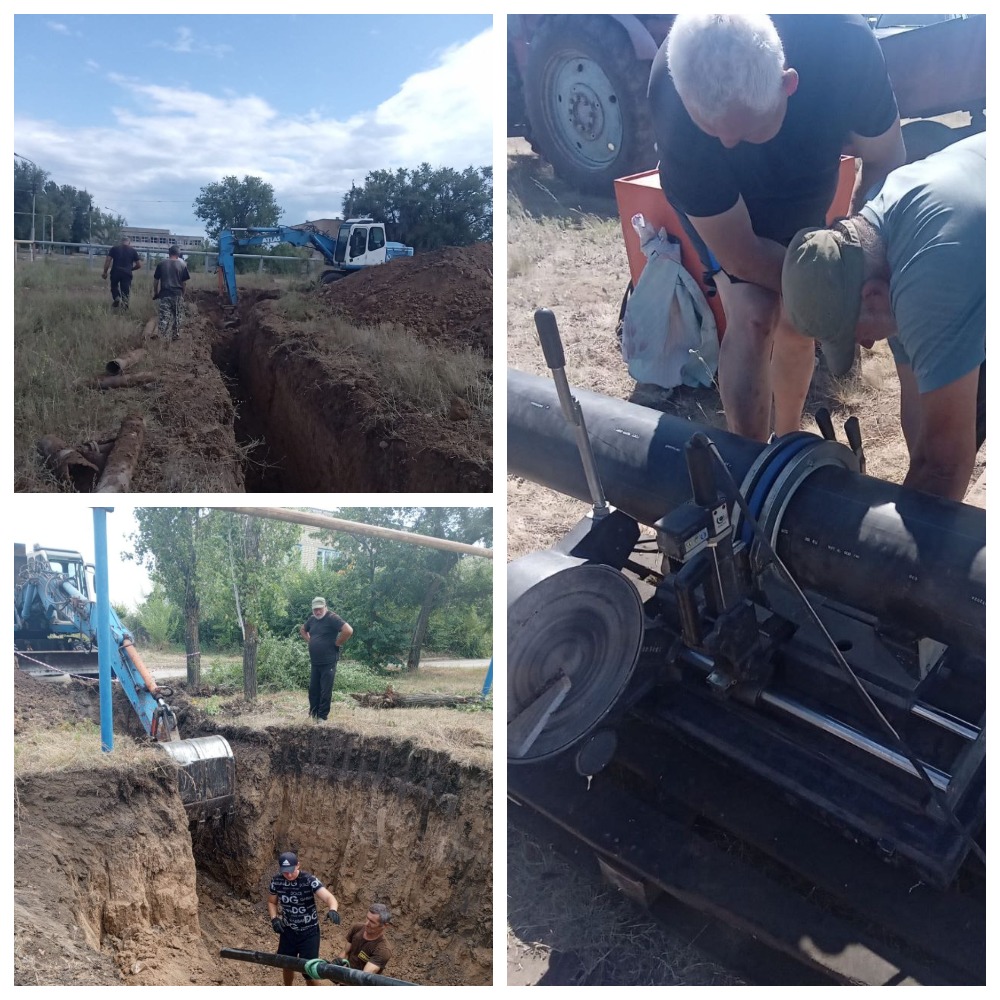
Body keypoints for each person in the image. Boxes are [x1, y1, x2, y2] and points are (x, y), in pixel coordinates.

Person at [648, 14, 906, 441]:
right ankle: (751, 474)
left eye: (744, 129)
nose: (728, 143)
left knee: (798, 322)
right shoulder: (673, 95)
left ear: (789, 83)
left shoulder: (845, 44)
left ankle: (787, 443)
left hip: (803, 186)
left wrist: (856, 263)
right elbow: (742, 254)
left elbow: (885, 160)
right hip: (724, 207)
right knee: (753, 314)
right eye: (713, 130)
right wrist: (830, 293)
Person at [781, 132, 985, 503]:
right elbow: (920, 411)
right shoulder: (874, 245)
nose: (867, 344)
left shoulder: (931, 277)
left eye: (855, 333)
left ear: (870, 296)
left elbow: (944, 463)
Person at [267, 851, 341, 986]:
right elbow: (272, 902)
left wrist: (333, 910)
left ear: (298, 866)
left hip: (309, 932)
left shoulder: (309, 880)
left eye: (291, 871)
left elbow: (329, 897)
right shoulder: (276, 880)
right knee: (287, 963)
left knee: (309, 970)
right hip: (288, 930)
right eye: (285, 872)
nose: (288, 875)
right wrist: (274, 919)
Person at [299, 597, 353, 721]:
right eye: (315, 610)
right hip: (315, 662)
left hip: (328, 662)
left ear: (325, 607)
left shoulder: (332, 618)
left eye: (320, 609)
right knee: (313, 690)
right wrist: (310, 640)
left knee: (325, 691)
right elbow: (302, 629)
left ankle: (322, 718)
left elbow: (348, 630)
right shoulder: (312, 620)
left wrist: (338, 643)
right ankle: (313, 715)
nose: (318, 612)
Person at [339, 903, 393, 975]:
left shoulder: (383, 950)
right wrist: (336, 965)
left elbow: (363, 976)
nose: (366, 924)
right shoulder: (357, 928)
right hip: (345, 976)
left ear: (384, 926)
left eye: (372, 922)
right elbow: (345, 952)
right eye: (367, 918)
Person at [152, 245, 191, 341]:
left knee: (164, 317)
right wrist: (183, 294)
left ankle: (162, 337)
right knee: (177, 316)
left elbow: (156, 281)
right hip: (177, 294)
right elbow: (184, 283)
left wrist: (156, 292)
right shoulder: (182, 265)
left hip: (165, 294)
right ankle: (176, 335)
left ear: (169, 253)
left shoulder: (161, 264)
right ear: (178, 254)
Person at [101, 235, 142, 310]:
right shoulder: (133, 251)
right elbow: (139, 265)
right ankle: (125, 308)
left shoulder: (114, 249)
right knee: (125, 291)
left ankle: (116, 297)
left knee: (114, 286)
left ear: (121, 242)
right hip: (127, 273)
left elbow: (108, 260)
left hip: (115, 271)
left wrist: (105, 272)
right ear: (129, 242)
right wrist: (131, 269)